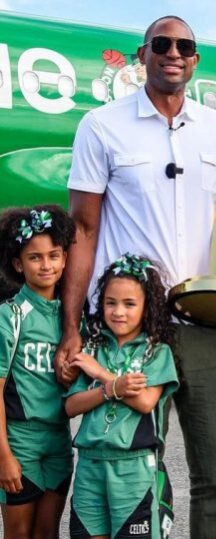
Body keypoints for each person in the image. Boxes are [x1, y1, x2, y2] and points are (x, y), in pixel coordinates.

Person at [59, 16, 216, 538]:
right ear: (143, 55)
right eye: (162, 44)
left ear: (196, 59)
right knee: (122, 462)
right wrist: (72, 326)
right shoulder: (102, 126)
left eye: (185, 45)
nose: (173, 52)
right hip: (130, 328)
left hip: (205, 318)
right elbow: (84, 232)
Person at [65, 254, 178, 539]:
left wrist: (103, 376)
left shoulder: (156, 352)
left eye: (130, 304)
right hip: (89, 465)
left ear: (146, 308)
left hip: (134, 469)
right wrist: (114, 388)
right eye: (110, 303)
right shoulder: (92, 347)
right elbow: (71, 405)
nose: (118, 312)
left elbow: (145, 402)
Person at [0, 205, 75, 539]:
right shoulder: (10, 315)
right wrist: (3, 456)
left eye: (53, 255)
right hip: (21, 442)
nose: (46, 265)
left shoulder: (71, 318)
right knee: (19, 535)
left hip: (58, 441)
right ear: (18, 264)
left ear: (64, 259)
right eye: (35, 257)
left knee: (48, 533)